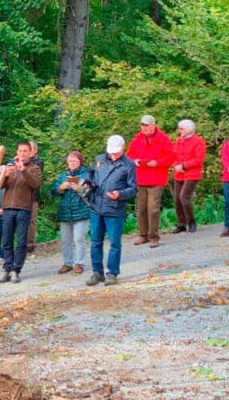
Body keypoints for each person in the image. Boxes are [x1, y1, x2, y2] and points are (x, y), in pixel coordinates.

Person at [84, 136, 137, 286]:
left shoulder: (129, 165)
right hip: (96, 206)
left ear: (123, 148)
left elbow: (133, 189)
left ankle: (113, 273)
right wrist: (88, 182)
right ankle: (97, 272)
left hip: (114, 209)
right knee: (95, 241)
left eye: (116, 152)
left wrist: (120, 194)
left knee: (114, 242)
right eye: (111, 152)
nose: (113, 155)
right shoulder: (99, 158)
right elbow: (90, 173)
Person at [0, 142, 44, 284]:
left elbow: (36, 185)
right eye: (20, 151)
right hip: (7, 208)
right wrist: (4, 176)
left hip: (24, 208)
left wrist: (23, 170)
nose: (22, 153)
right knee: (6, 240)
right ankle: (7, 269)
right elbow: (0, 186)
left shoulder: (34, 168)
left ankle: (16, 270)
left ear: (30, 153)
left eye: (25, 151)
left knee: (21, 242)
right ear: (17, 152)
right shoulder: (10, 167)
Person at [127, 114, 175, 248]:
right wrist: (134, 161)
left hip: (157, 178)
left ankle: (153, 236)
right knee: (141, 208)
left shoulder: (164, 139)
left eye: (147, 125)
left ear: (153, 125)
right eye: (142, 124)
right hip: (141, 178)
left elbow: (171, 157)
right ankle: (143, 235)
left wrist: (158, 163)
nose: (144, 127)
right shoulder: (136, 139)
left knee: (153, 209)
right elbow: (129, 156)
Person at [51, 151, 92, 274]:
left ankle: (79, 263)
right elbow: (53, 190)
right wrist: (60, 188)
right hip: (65, 212)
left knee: (79, 238)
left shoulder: (86, 174)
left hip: (81, 210)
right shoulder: (63, 176)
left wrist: (79, 189)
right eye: (70, 161)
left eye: (75, 161)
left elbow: (91, 191)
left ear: (80, 162)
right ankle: (67, 263)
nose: (72, 163)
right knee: (65, 240)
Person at [171, 119, 206, 234]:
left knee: (184, 196)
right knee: (176, 199)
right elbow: (174, 155)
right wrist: (176, 165)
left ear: (189, 129)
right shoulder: (179, 141)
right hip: (179, 172)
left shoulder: (198, 141)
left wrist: (184, 165)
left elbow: (199, 159)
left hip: (192, 172)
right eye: (179, 128)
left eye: (182, 129)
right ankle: (181, 224)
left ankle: (191, 222)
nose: (180, 131)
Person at [26, 141, 46, 253]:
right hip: (21, 197)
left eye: (29, 149)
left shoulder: (38, 163)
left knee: (31, 220)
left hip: (33, 196)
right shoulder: (21, 162)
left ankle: (30, 244)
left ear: (34, 150)